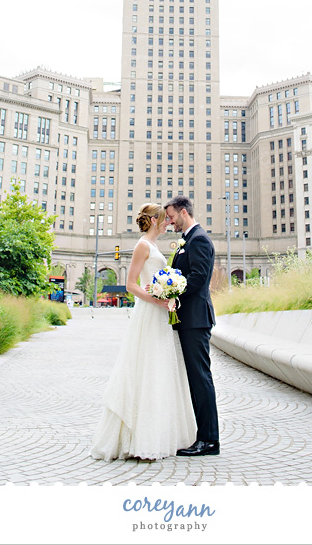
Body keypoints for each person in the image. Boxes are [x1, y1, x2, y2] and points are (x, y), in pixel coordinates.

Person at [90, 203, 196, 461]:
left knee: (160, 370)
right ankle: (139, 439)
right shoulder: (142, 246)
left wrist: (168, 295)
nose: (168, 223)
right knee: (146, 368)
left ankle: (160, 434)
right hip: (149, 313)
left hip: (161, 314)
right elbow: (131, 284)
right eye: (163, 219)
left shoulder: (155, 247)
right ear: (152, 220)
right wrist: (157, 298)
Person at [164, 195, 220, 457]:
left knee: (201, 379)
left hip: (196, 320)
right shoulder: (189, 239)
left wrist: (172, 291)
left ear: (184, 212)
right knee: (196, 380)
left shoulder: (198, 240)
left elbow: (198, 278)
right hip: (189, 320)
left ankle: (209, 440)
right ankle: (204, 437)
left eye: (171, 216)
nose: (169, 221)